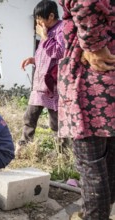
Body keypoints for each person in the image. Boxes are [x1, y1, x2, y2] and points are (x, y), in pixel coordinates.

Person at [58, 1, 115, 219]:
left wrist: (94, 45)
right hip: (109, 83)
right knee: (108, 163)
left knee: (92, 166)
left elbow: (85, 1)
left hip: (91, 85)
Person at [16, 0, 65, 155]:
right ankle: (23, 147)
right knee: (29, 117)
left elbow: (58, 53)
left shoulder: (62, 29)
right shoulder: (47, 30)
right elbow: (46, 56)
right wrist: (34, 60)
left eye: (39, 18)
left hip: (53, 86)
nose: (37, 22)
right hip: (39, 86)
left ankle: (61, 152)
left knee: (55, 122)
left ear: (51, 16)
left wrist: (44, 37)